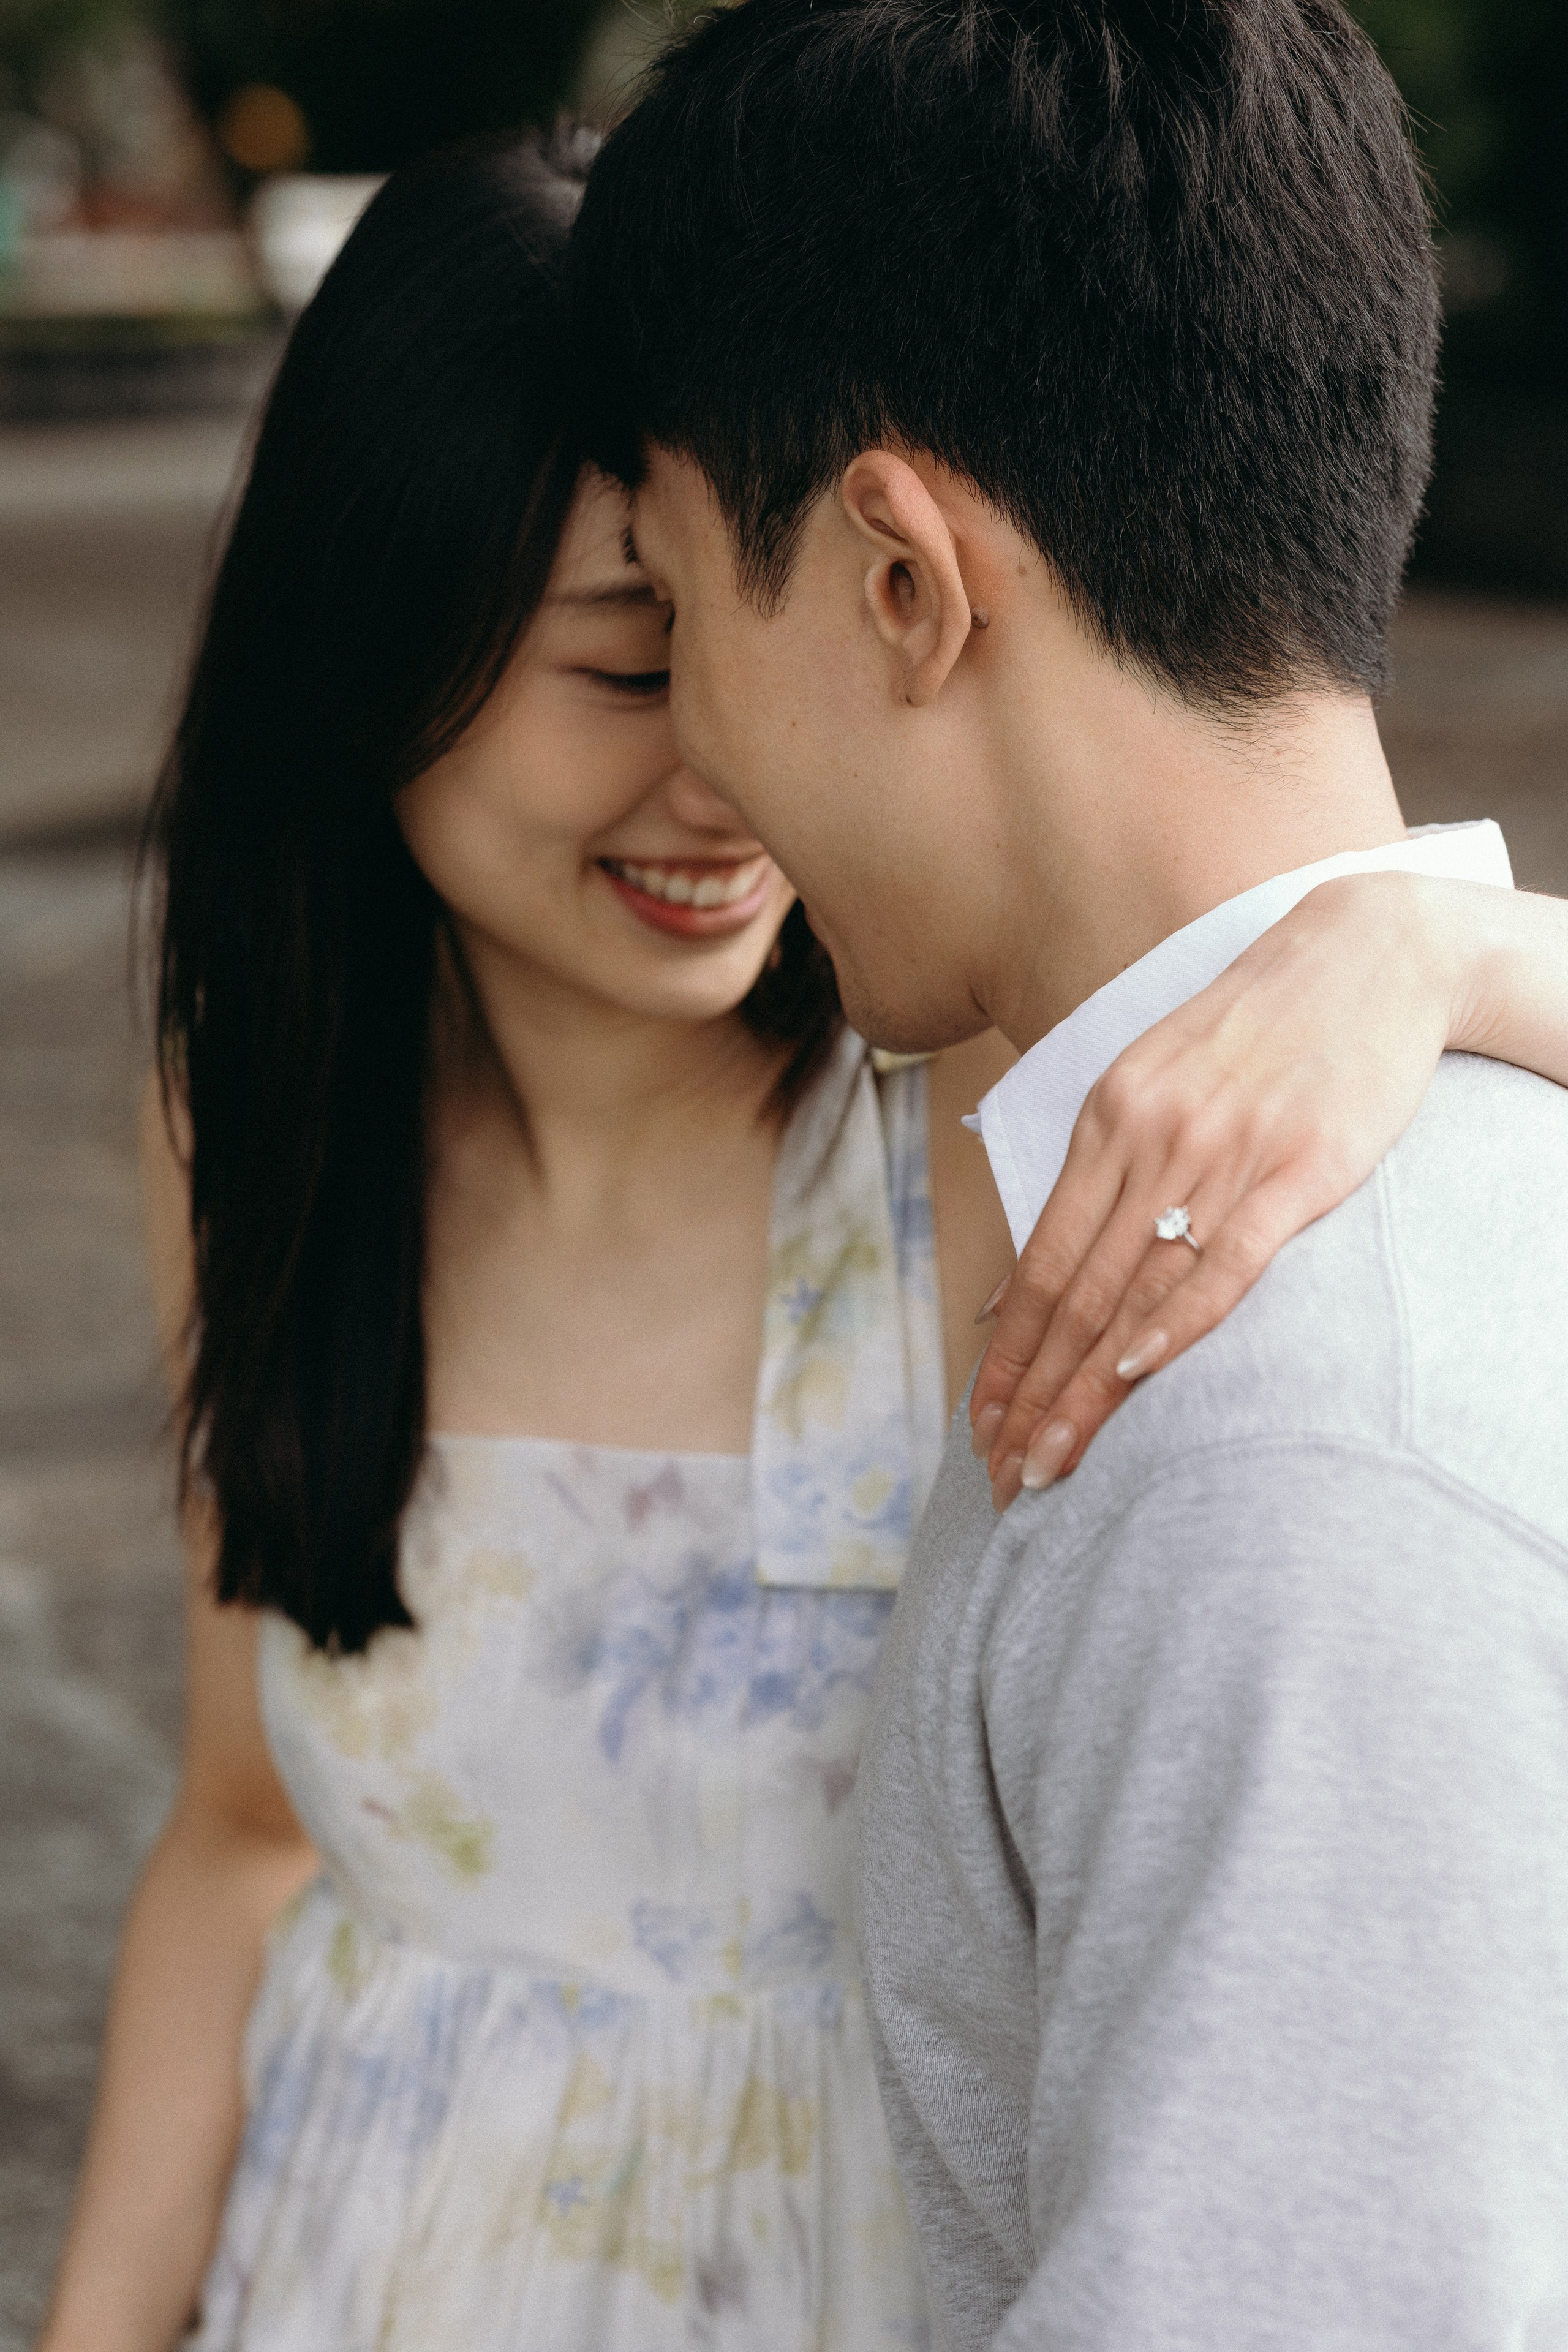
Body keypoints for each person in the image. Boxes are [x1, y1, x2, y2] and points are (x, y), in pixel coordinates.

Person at [39, 110, 1567, 2352]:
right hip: (364, 2256)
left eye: (716, 647)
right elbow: (245, 1831)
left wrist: (1444, 946)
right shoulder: (257, 1129)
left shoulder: (978, 1112)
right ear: (375, 649)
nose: (722, 773)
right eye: (624, 667)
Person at [568, 0, 1568, 2343]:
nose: (695, 749)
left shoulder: (1291, 1458)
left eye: (679, 610)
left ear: (901, 580)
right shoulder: (1420, 1215)